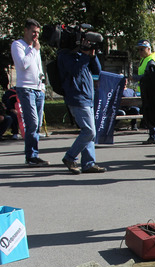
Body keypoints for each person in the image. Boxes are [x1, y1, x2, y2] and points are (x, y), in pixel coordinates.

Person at [57, 31, 105, 174]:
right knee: (89, 131)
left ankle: (88, 163)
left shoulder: (81, 55)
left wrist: (92, 55)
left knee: (90, 132)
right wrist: (84, 55)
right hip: (77, 98)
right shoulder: (65, 56)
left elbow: (98, 70)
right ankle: (70, 157)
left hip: (86, 97)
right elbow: (74, 71)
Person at [11, 18, 49, 166]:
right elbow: (22, 65)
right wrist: (34, 49)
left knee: (37, 124)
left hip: (39, 89)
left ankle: (34, 154)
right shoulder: (18, 45)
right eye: (33, 32)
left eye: (38, 33)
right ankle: (31, 156)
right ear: (26, 30)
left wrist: (43, 85)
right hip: (26, 89)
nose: (36, 35)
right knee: (32, 123)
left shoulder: (35, 47)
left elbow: (38, 68)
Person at [133, 40, 155, 144]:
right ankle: (153, 135)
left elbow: (149, 76)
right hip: (147, 91)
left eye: (142, 49)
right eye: (139, 49)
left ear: (149, 49)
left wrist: (135, 78)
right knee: (150, 114)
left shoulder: (151, 60)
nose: (140, 52)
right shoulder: (145, 59)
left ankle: (154, 136)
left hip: (151, 91)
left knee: (151, 114)